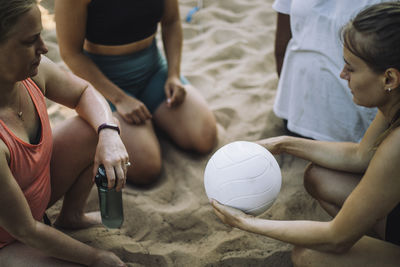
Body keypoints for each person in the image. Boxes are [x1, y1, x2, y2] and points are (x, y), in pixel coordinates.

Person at [212, 2, 400, 266]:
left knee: (309, 255)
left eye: (351, 68)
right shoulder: (394, 103)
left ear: (389, 79)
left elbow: (336, 237)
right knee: (319, 176)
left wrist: (246, 222)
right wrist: (283, 144)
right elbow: (359, 155)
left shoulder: (397, 145)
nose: (342, 74)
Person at [0, 0, 129, 266]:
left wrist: (108, 133)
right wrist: (98, 258)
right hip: (10, 237)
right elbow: (25, 230)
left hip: (34, 201)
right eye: (30, 41)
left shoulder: (31, 74)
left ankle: (71, 216)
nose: (44, 48)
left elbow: (84, 92)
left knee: (93, 126)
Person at [54, 0, 217, 185]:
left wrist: (173, 75)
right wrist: (120, 98)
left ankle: (152, 121)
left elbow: (171, 22)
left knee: (204, 138)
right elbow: (71, 54)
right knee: (147, 169)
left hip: (153, 69)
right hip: (104, 81)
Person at [273, 0, 388, 142]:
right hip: (295, 111)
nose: (343, 73)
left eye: (349, 68)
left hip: (355, 122)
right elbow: (281, 47)